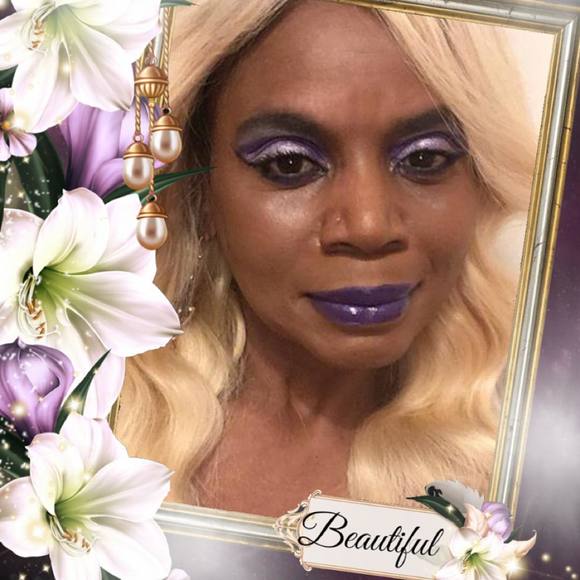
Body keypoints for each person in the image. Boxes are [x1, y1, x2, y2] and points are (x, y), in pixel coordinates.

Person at [115, 0, 537, 518]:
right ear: (198, 183)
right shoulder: (72, 422)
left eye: (425, 158)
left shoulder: (539, 459)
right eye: (290, 164)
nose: (368, 227)